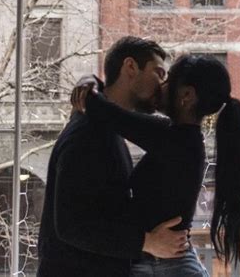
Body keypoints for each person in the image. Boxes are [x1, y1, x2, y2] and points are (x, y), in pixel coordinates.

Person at [72, 54, 240, 277]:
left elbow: (107, 112)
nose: (161, 86)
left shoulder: (172, 138)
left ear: (186, 95)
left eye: (168, 80)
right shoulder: (185, 140)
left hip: (164, 266)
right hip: (168, 264)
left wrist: (88, 82)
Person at [37, 37, 189, 277]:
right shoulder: (88, 133)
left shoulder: (104, 129)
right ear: (130, 67)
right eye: (158, 73)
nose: (162, 85)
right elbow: (70, 225)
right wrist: (147, 242)